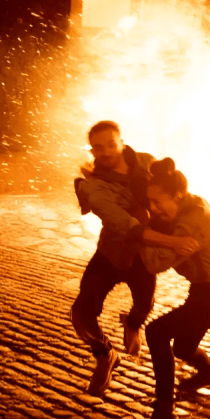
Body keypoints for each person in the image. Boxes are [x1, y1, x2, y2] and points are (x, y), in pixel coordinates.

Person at [72, 121, 199, 397]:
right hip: (111, 253)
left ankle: (132, 324)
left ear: (121, 141)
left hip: (144, 257)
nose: (105, 151)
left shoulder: (148, 164)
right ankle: (105, 354)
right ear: (91, 149)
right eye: (98, 147)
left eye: (110, 144)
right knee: (81, 313)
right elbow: (126, 225)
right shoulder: (94, 184)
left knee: (143, 305)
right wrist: (174, 242)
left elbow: (172, 197)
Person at [132, 157, 210, 419]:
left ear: (178, 195)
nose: (154, 208)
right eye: (150, 202)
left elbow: (155, 263)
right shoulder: (190, 203)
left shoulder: (189, 224)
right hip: (205, 292)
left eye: (158, 202)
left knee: (156, 333)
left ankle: (164, 416)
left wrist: (140, 233)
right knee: (182, 347)